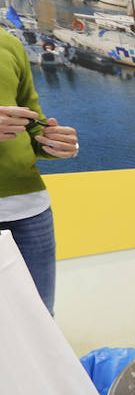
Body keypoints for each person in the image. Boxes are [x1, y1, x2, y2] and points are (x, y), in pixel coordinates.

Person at [0, 29, 79, 315]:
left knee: (40, 324)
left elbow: (32, 122)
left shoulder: (8, 43)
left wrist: (55, 142)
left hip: (29, 212)